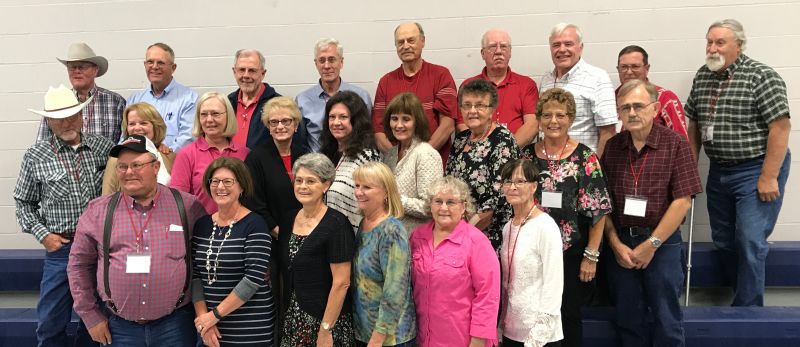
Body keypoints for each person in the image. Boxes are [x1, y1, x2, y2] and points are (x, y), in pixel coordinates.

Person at [685, 19, 792, 307]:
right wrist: (689, 169)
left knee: (749, 240)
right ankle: (741, 295)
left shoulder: (761, 76)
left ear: (739, 45)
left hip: (755, 168)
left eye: (720, 42)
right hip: (719, 169)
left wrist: (769, 177)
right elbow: (693, 125)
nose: (712, 48)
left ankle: (749, 311)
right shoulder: (702, 76)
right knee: (723, 240)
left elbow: (780, 128)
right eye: (709, 41)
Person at [67, 134, 207, 347]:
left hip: (176, 325)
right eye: (122, 167)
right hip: (119, 329)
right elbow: (78, 266)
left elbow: (205, 259)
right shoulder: (98, 211)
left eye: (136, 165)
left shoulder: (188, 207)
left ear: (156, 166)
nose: (129, 172)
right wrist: (91, 316)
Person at [602, 79, 702, 347]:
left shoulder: (676, 144)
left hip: (663, 244)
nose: (632, 113)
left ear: (655, 108)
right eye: (625, 108)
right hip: (621, 245)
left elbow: (683, 201)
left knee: (666, 318)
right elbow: (603, 204)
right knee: (627, 319)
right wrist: (614, 244)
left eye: (638, 106)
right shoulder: (612, 147)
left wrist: (652, 244)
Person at [15, 85, 114, 347]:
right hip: (61, 249)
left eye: (72, 115)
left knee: (95, 324)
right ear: (48, 121)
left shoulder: (104, 148)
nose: (66, 122)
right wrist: (43, 235)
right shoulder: (35, 156)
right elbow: (23, 203)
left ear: (82, 116)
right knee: (50, 323)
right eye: (58, 118)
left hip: (100, 249)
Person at [520, 88, 612, 347]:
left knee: (568, 315)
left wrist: (591, 257)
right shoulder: (527, 156)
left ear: (571, 119)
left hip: (570, 254)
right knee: (531, 314)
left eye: (560, 115)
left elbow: (599, 210)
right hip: (532, 252)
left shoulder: (585, 157)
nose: (553, 121)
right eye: (547, 115)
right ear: (538, 118)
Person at [192, 157, 275, 346]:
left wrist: (215, 315)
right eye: (215, 181)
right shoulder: (202, 225)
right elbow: (196, 276)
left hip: (250, 326)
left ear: (242, 187)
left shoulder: (255, 224)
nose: (220, 187)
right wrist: (204, 319)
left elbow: (253, 278)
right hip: (210, 328)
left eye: (228, 181)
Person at [410, 176, 500, 347]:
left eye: (451, 202)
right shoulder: (417, 237)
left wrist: (478, 341)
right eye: (438, 201)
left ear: (464, 206)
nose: (443, 208)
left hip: (462, 340)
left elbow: (488, 296)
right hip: (423, 338)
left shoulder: (477, 242)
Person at [277, 153, 356, 346]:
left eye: (311, 181)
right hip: (292, 320)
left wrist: (326, 329)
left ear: (326, 185)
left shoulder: (337, 223)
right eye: (299, 180)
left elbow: (342, 283)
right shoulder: (288, 220)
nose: (303, 186)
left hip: (325, 323)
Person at [445, 79, 519, 252]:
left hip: (488, 236)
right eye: (467, 105)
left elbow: (497, 200)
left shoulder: (502, 139)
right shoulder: (460, 139)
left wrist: (463, 235)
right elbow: (448, 182)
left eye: (480, 105)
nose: (472, 111)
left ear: (492, 109)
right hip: (458, 229)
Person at [499, 159, 564, 347]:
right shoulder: (507, 227)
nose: (513, 187)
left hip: (539, 334)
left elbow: (554, 283)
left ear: (534, 186)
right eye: (508, 182)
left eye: (520, 181)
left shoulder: (545, 226)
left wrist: (538, 336)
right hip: (511, 328)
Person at [352, 162, 417, 346]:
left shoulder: (391, 230)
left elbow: (395, 289)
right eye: (357, 185)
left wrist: (378, 336)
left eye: (367, 187)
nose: (359, 192)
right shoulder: (363, 223)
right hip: (365, 331)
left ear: (386, 192)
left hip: (390, 337)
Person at [373, 22, 458, 161]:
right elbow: (378, 131)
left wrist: (420, 158)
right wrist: (399, 160)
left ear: (423, 41)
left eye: (411, 40)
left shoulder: (441, 75)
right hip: (396, 167)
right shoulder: (385, 82)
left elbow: (447, 126)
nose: (406, 46)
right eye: (400, 42)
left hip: (433, 163)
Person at [539, 23, 616, 156]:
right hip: (546, 164)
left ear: (580, 48)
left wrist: (598, 168)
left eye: (568, 44)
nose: (562, 50)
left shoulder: (598, 77)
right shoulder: (546, 79)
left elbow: (608, 131)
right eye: (556, 45)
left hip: (583, 167)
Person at [170, 92, 249, 214]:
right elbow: (177, 201)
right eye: (203, 115)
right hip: (199, 229)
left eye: (215, 114)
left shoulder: (245, 153)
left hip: (240, 227)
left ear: (228, 116)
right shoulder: (186, 154)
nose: (209, 120)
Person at [459, 29, 539, 147]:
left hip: (515, 158)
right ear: (482, 53)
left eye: (503, 46)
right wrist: (482, 152)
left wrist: (505, 152)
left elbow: (532, 125)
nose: (498, 51)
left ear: (510, 52)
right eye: (492, 46)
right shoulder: (468, 86)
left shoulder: (526, 84)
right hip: (477, 157)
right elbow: (462, 125)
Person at [38, 42, 126, 143]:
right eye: (72, 67)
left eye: (82, 67)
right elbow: (42, 144)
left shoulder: (115, 102)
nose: (77, 71)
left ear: (95, 69)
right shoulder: (57, 104)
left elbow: (124, 140)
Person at [296, 38, 373, 152]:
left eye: (332, 60)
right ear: (316, 64)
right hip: (316, 166)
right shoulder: (302, 100)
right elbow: (300, 141)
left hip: (352, 163)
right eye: (322, 60)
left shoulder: (361, 96)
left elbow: (367, 135)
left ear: (341, 62)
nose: (327, 66)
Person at [321, 90, 382, 233]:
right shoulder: (327, 155)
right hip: (330, 238)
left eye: (343, 117)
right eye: (332, 117)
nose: (336, 122)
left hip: (357, 240)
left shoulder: (367, 157)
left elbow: (376, 204)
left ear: (356, 121)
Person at [381, 93, 443, 232]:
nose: (399, 125)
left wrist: (393, 199)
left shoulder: (426, 153)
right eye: (394, 119)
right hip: (390, 237)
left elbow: (430, 207)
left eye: (406, 119)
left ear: (417, 122)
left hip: (416, 240)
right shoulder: (390, 154)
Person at [128, 42, 198, 152]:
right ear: (145, 65)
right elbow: (126, 136)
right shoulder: (134, 100)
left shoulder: (189, 99)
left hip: (172, 161)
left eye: (160, 63)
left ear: (173, 68)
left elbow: (188, 138)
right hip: (137, 162)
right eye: (150, 62)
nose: (154, 67)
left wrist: (164, 155)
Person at [615, 45, 688, 139]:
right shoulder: (609, 99)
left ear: (647, 68)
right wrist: (591, 154)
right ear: (618, 69)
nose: (629, 72)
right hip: (614, 153)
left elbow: (682, 141)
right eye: (624, 67)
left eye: (635, 66)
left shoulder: (666, 99)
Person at [102, 103, 174, 194]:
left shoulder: (169, 156)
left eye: (143, 123)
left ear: (156, 126)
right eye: (132, 124)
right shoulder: (116, 160)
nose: (137, 128)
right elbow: (106, 198)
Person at [227, 49, 284, 149]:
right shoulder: (227, 103)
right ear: (234, 72)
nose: (246, 75)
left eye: (252, 70)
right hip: (230, 164)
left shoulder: (279, 105)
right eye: (241, 70)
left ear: (263, 73)